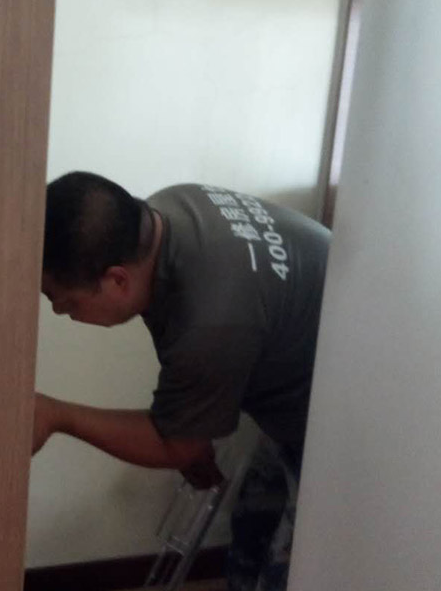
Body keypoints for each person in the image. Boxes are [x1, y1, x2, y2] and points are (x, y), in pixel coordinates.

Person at [33, 171, 330, 591]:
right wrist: (188, 427)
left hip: (351, 415)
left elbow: (179, 442)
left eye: (64, 301)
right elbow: (187, 397)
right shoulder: (167, 212)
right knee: (252, 526)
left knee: (293, 568)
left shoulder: (211, 318)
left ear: (117, 280)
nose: (60, 311)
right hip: (315, 362)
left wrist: (56, 415)